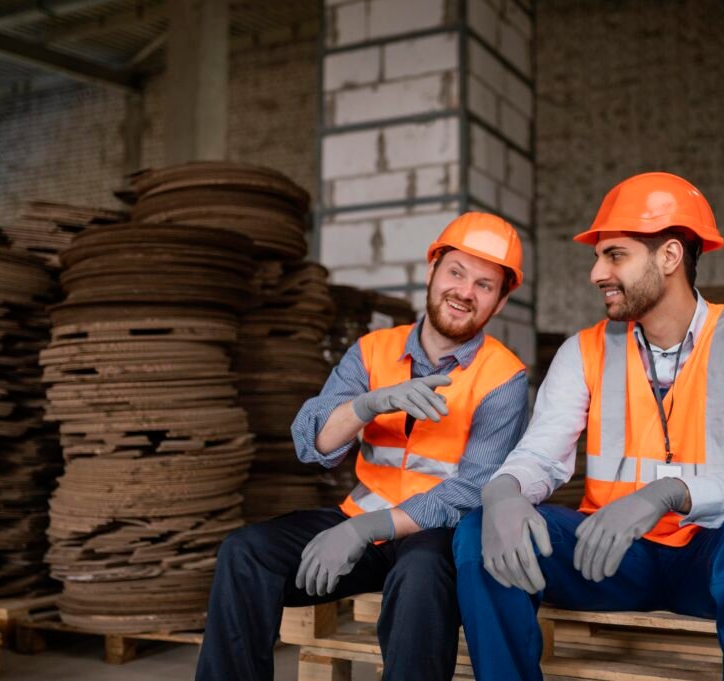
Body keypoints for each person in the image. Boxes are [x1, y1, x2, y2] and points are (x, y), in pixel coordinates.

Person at [454, 172, 724, 681]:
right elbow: (540, 453)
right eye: (598, 256)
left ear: (669, 256)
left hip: (709, 557)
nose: (596, 272)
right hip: (607, 556)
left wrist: (667, 494)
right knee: (483, 530)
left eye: (615, 255)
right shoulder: (584, 350)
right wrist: (505, 490)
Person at [196, 212, 531, 681]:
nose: (464, 292)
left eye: (484, 285)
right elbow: (311, 443)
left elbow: (473, 489)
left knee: (419, 577)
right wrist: (366, 405)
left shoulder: (503, 377)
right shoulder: (372, 350)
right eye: (456, 272)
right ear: (431, 270)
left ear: (498, 303)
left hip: (434, 538)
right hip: (360, 521)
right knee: (245, 552)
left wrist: (365, 530)